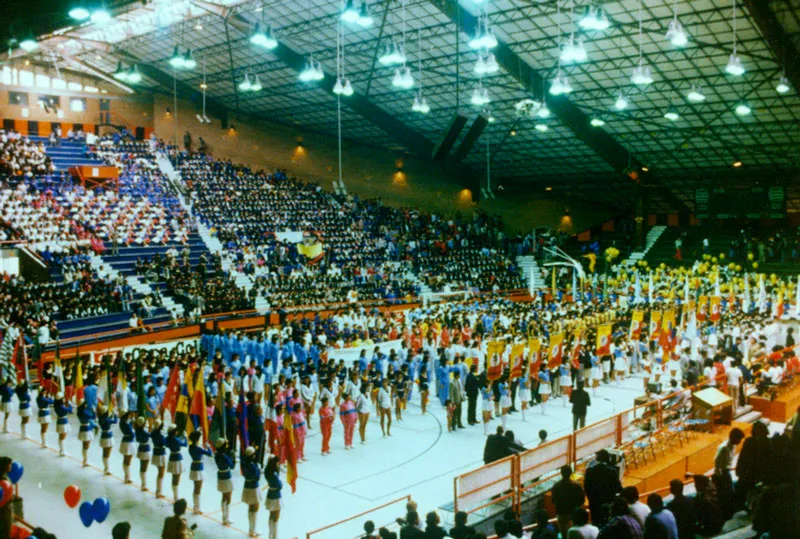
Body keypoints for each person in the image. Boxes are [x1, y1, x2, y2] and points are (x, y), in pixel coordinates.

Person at [735, 420, 769, 509]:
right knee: (741, 493)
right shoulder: (749, 442)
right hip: (748, 473)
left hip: (759, 473)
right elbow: (743, 457)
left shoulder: (767, 443)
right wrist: (739, 469)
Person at [584, 449, 621, 526]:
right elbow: (617, 487)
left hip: (594, 504)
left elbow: (586, 488)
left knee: (595, 523)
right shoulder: (612, 471)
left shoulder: (589, 471)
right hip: (608, 503)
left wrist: (591, 499)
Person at [713, 427, 744, 517]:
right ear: (733, 437)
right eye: (739, 439)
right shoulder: (724, 448)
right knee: (723, 496)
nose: (740, 441)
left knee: (729, 495)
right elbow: (716, 462)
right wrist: (720, 476)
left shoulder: (733, 447)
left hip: (726, 473)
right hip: (721, 474)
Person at [551, 464, 585, 539]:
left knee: (564, 535)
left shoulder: (556, 486)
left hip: (561, 513)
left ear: (561, 473)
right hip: (574, 514)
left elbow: (553, 500)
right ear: (571, 473)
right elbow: (582, 500)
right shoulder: (577, 486)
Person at [188, 430, 212, 514]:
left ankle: (196, 506)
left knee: (196, 487)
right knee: (198, 488)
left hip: (194, 466)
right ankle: (196, 507)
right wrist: (208, 446)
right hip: (198, 468)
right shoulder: (198, 448)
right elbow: (209, 454)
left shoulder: (191, 447)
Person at [242, 446, 262, 538]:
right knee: (255, 507)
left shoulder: (245, 463)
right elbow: (257, 477)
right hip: (253, 487)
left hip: (247, 485)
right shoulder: (253, 465)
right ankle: (253, 529)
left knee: (250, 507)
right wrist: (259, 469)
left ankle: (251, 528)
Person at [166, 426, 188, 501]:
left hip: (171, 457)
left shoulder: (167, 439)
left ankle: (175, 496)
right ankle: (176, 497)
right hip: (178, 459)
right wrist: (185, 437)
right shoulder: (176, 439)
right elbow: (185, 444)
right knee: (177, 478)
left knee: (174, 477)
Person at [265, 455, 282, 539]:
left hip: (270, 493)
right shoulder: (274, 474)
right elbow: (279, 485)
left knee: (271, 515)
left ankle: (271, 534)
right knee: (276, 516)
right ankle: (274, 536)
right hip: (275, 495)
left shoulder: (268, 471)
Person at [134, 417, 151, 491]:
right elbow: (150, 435)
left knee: (142, 467)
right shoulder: (144, 432)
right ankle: (144, 485)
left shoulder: (137, 430)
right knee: (144, 468)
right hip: (145, 449)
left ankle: (143, 484)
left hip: (141, 448)